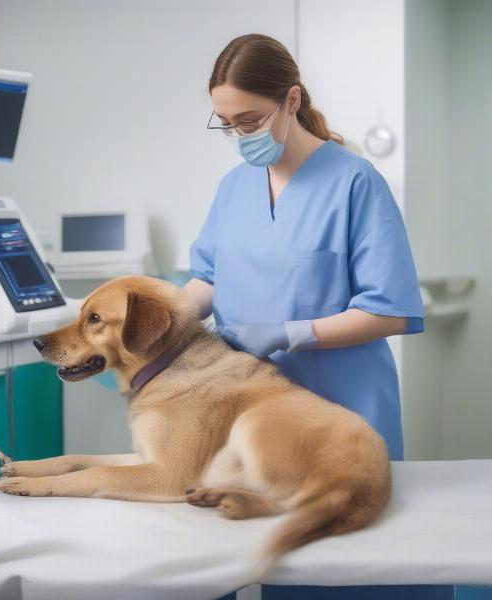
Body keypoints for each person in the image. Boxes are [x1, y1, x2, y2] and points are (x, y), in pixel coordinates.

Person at [183, 34, 453, 600]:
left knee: (354, 567)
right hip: (255, 411)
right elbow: (207, 277)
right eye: (226, 123)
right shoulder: (233, 189)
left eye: (250, 120)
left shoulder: (356, 183)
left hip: (342, 409)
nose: (238, 135)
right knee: (279, 566)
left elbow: (391, 311)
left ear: (291, 100)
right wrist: (166, 324)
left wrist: (288, 333)